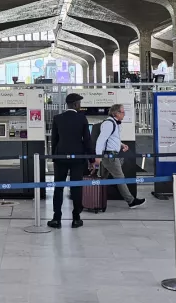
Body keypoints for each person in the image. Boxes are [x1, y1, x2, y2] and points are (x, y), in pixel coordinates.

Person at [48, 93, 92, 229]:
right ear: (75, 104)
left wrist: (54, 157)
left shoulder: (58, 118)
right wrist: (91, 159)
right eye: (79, 103)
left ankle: (56, 219)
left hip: (60, 157)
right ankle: (76, 218)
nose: (80, 106)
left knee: (59, 188)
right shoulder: (82, 119)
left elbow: (53, 140)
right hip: (78, 158)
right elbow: (87, 141)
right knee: (76, 188)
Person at [94, 103, 144, 208]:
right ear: (115, 113)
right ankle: (131, 201)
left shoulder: (115, 123)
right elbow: (101, 140)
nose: (124, 114)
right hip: (110, 156)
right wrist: (97, 156)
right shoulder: (109, 124)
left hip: (111, 155)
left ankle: (95, 198)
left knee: (104, 178)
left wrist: (121, 145)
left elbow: (112, 139)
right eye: (122, 112)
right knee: (120, 178)